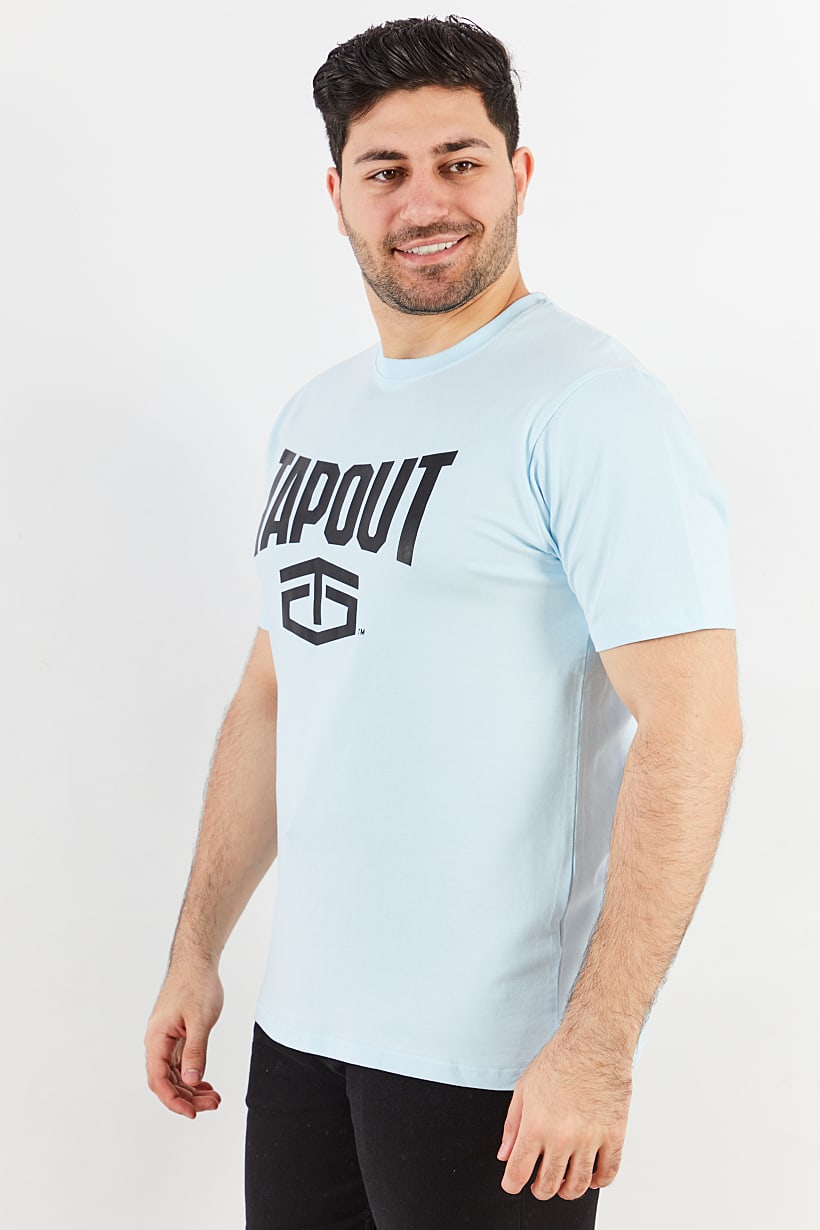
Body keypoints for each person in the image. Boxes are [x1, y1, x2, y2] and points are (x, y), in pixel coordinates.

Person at [144, 15, 742, 1230]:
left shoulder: (590, 407)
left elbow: (693, 730)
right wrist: (196, 947)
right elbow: (274, 692)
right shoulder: (315, 414)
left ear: (517, 173)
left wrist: (597, 1045)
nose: (425, 201)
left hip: (494, 1061)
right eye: (386, 170)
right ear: (337, 196)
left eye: (459, 161)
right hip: (303, 1033)